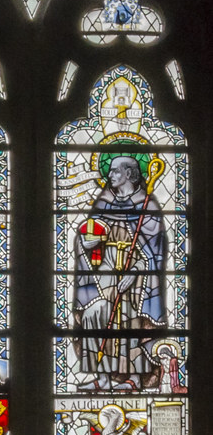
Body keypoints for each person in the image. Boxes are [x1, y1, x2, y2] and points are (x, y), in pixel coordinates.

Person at [75, 154, 165, 390]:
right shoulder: (104, 204)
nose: (110, 175)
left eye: (115, 171)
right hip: (104, 276)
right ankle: (102, 378)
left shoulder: (148, 206)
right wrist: (87, 244)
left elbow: (155, 253)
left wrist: (134, 271)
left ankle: (133, 379)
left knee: (128, 319)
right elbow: (90, 235)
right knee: (95, 314)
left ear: (129, 174)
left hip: (137, 284)